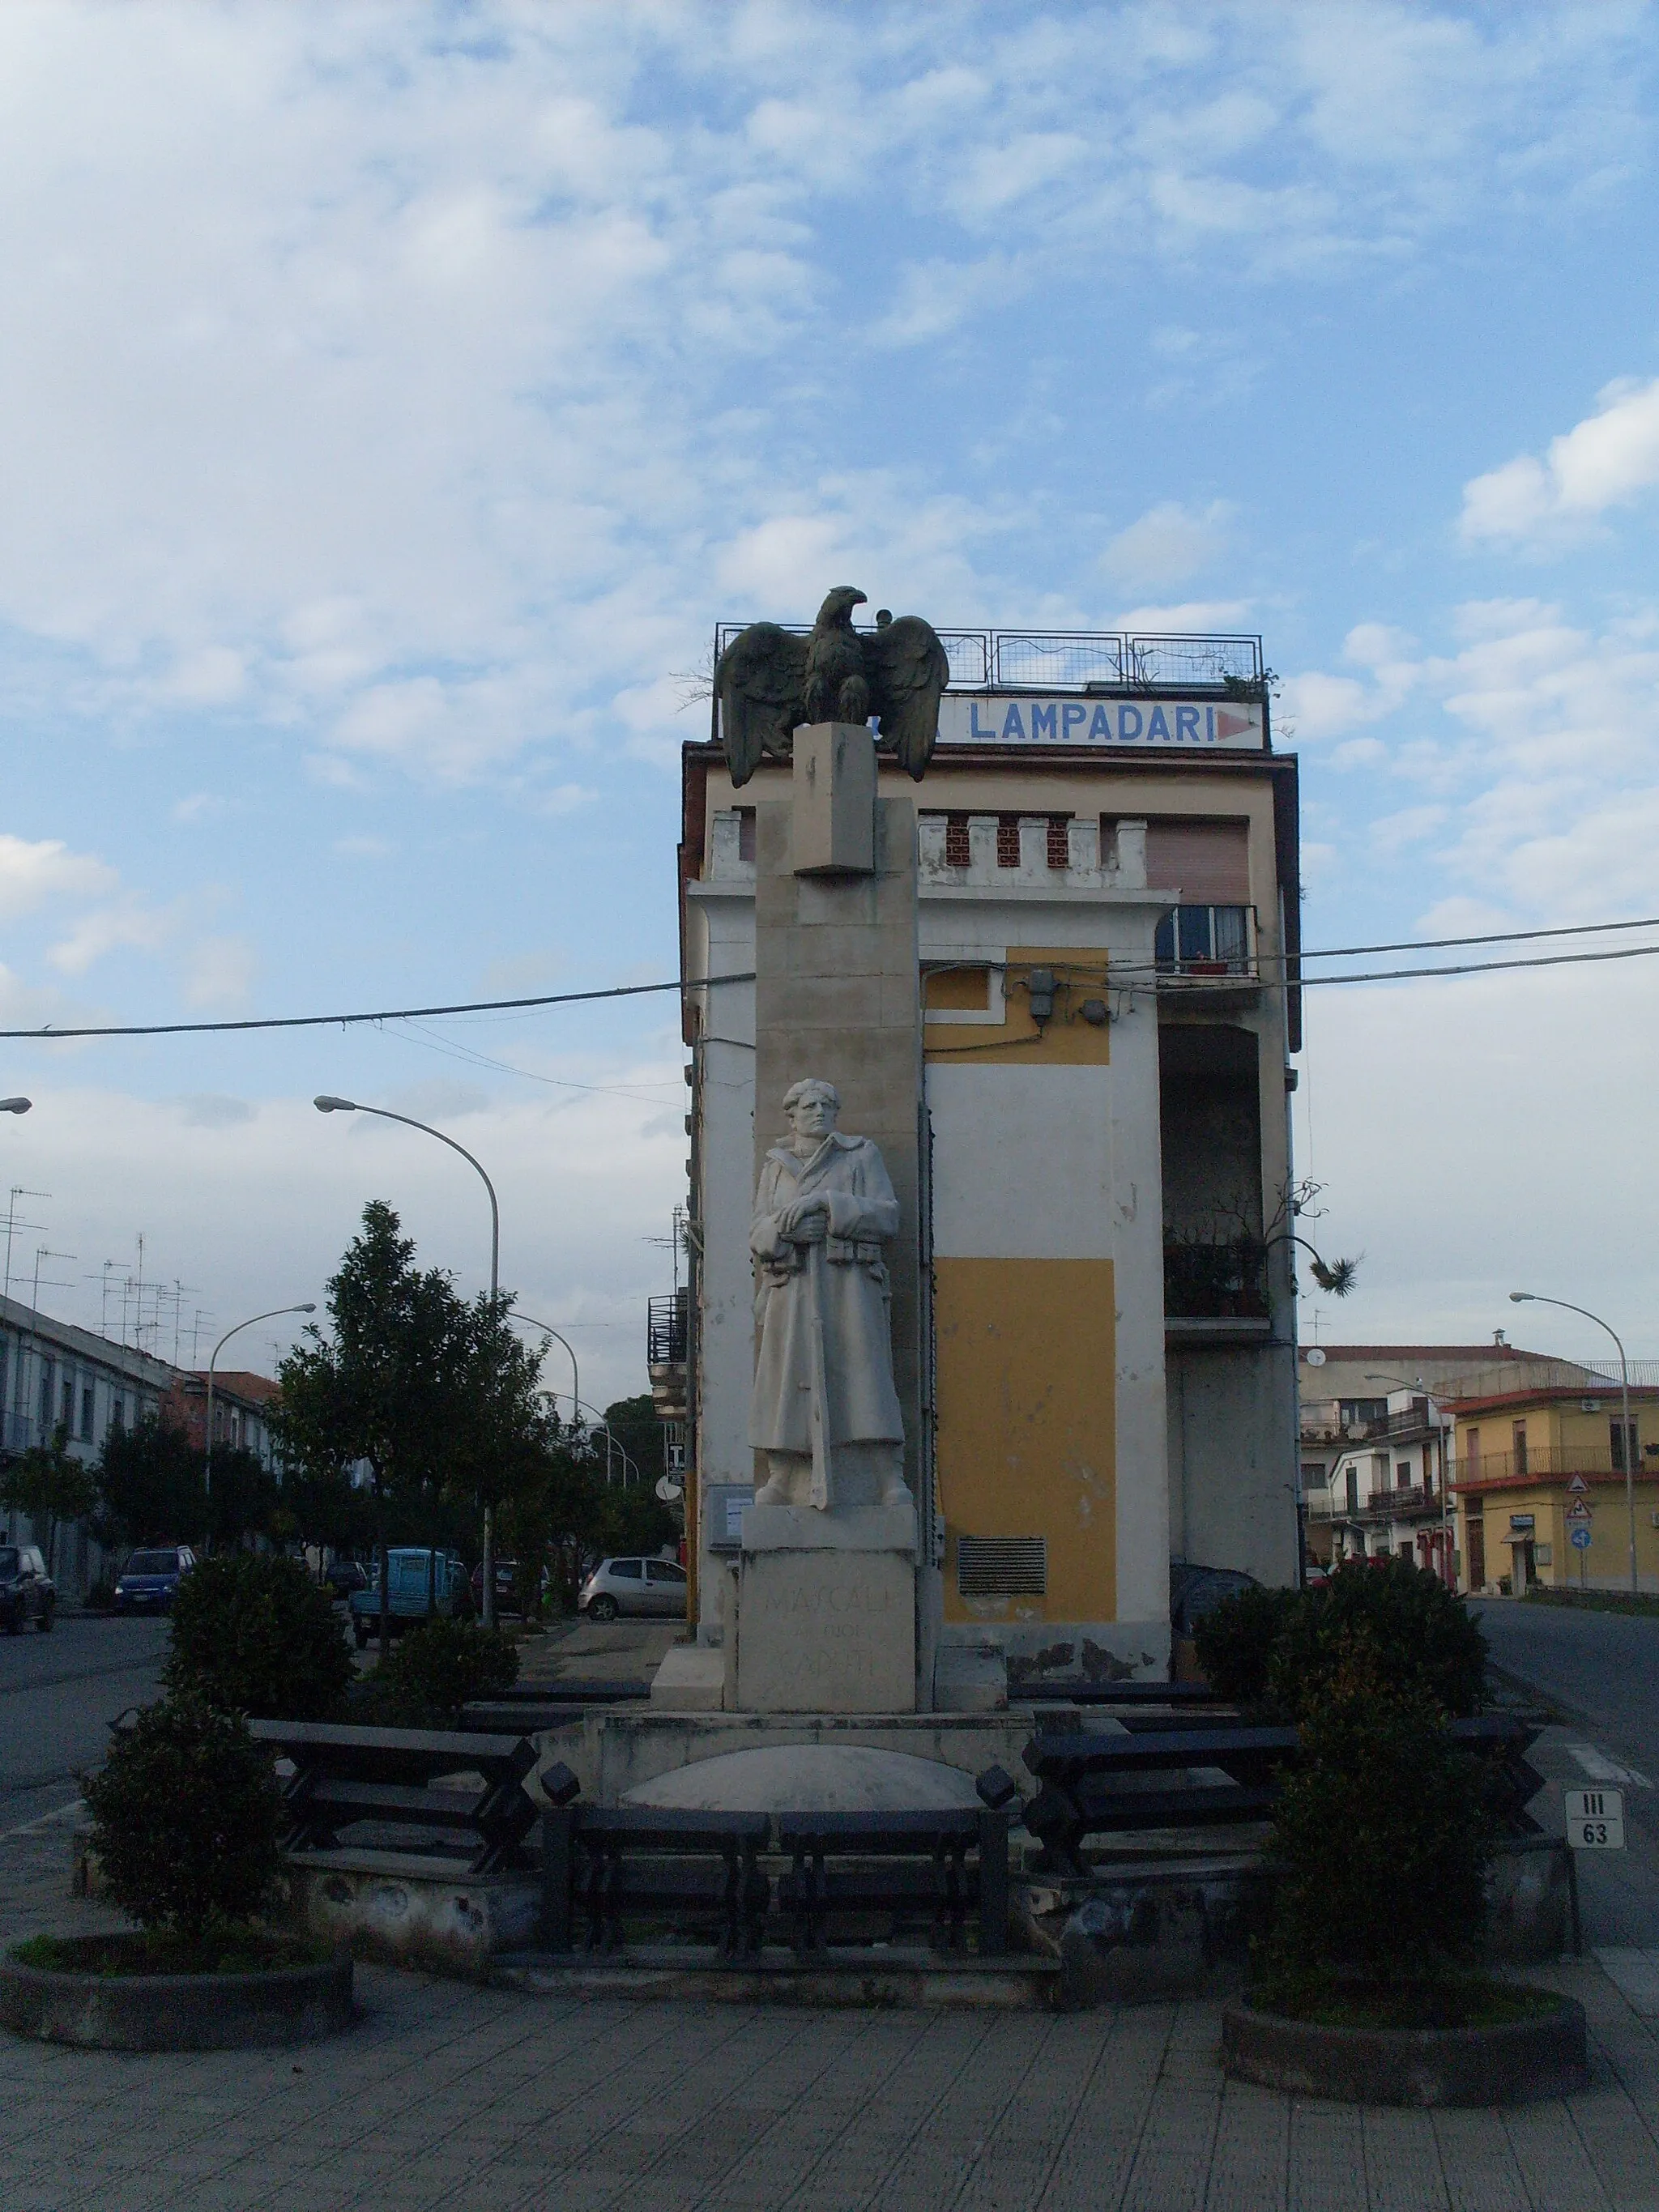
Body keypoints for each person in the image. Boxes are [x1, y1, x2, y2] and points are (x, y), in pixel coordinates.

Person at [748, 1078, 910, 1511]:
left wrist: (828, 1204)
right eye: (809, 1105)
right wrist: (787, 1230)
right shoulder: (775, 1166)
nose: (819, 1112)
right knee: (785, 1379)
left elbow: (887, 1215)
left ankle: (886, 1477)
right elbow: (758, 1228)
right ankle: (782, 1476)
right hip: (793, 1286)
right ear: (793, 1115)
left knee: (865, 1376)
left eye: (827, 1105)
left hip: (848, 1285)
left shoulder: (860, 1154)